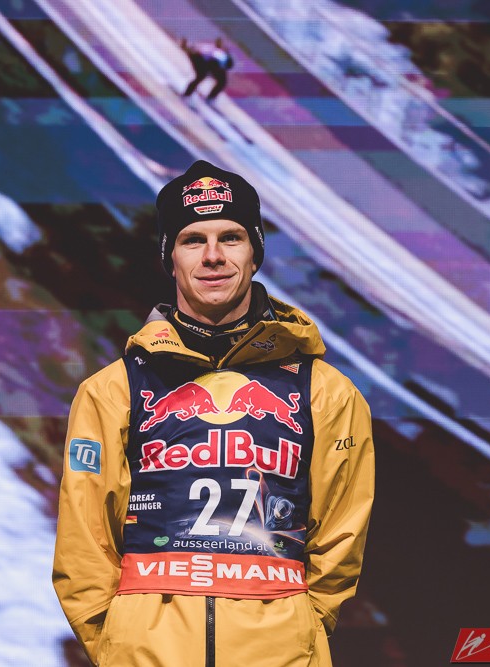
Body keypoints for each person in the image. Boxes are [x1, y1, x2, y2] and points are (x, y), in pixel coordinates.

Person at [53, 159, 375, 666]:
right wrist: (119, 642)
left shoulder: (326, 392)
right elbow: (83, 543)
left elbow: (341, 538)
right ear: (170, 258)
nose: (212, 256)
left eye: (231, 237)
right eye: (192, 240)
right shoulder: (111, 390)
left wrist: (299, 631)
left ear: (255, 253)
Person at [181, 37, 234, 102]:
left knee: (218, 80)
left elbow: (196, 51)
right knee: (202, 76)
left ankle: (208, 97)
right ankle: (187, 94)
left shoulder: (218, 54)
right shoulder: (220, 57)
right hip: (200, 59)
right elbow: (210, 62)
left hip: (200, 58)